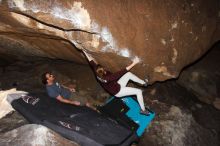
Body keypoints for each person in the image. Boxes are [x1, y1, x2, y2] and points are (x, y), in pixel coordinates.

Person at [82, 50, 149, 115]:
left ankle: (143, 83)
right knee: (139, 91)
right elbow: (121, 72)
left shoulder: (97, 72)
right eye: (104, 69)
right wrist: (134, 63)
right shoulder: (108, 78)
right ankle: (143, 110)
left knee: (128, 75)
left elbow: (91, 61)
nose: (105, 69)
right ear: (103, 71)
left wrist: (84, 51)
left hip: (117, 85)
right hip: (118, 91)